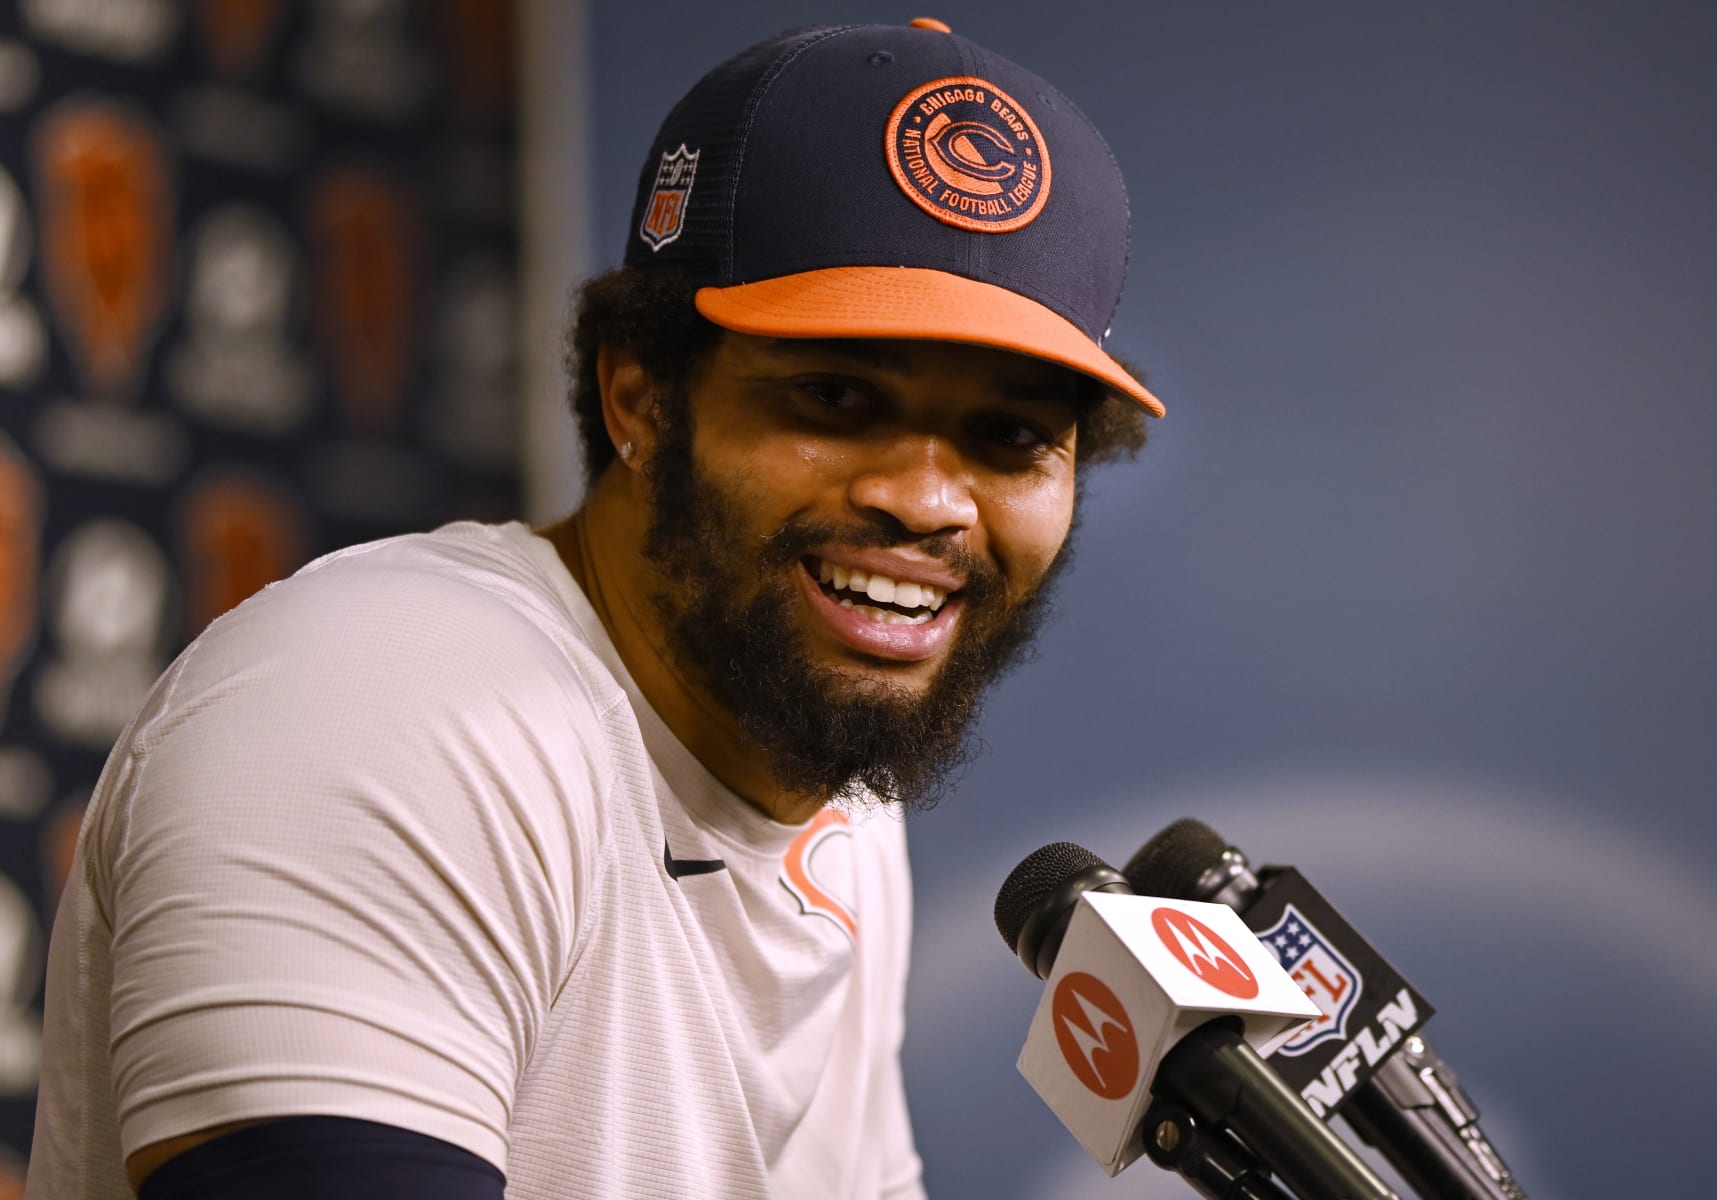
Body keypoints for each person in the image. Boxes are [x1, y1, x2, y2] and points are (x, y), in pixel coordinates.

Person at [27, 19, 1164, 1200]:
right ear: (639, 392)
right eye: (834, 397)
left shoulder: (829, 782)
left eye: (1012, 438)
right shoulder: (385, 710)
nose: (928, 501)